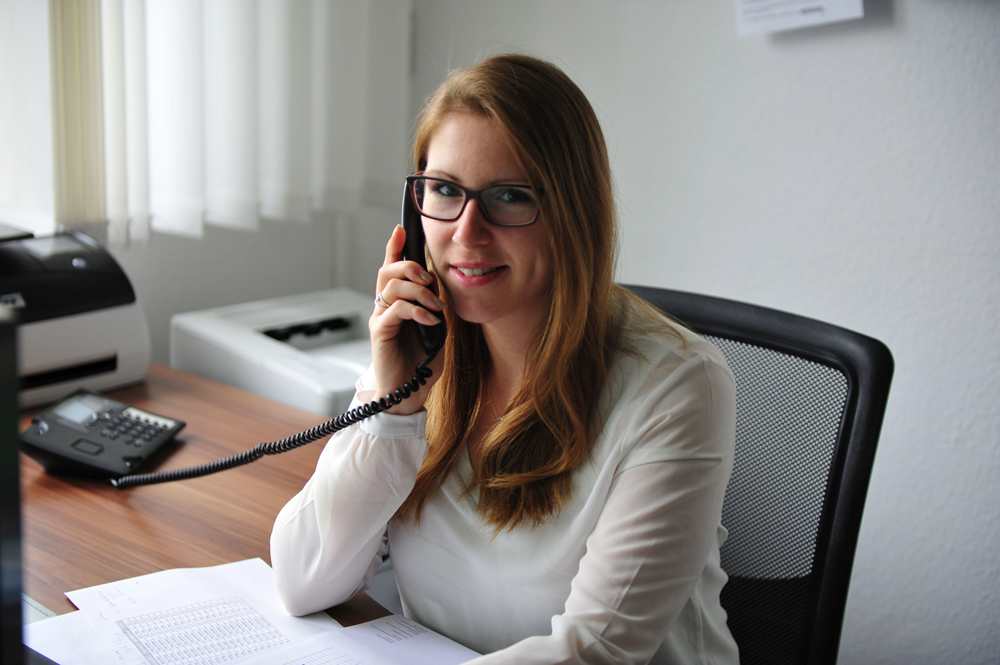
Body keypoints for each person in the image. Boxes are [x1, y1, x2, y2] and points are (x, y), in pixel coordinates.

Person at [270, 53, 739, 664]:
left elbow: (596, 651)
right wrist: (394, 405)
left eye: (509, 197)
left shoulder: (680, 387)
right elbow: (304, 580)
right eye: (443, 190)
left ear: (573, 213)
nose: (466, 232)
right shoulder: (425, 349)